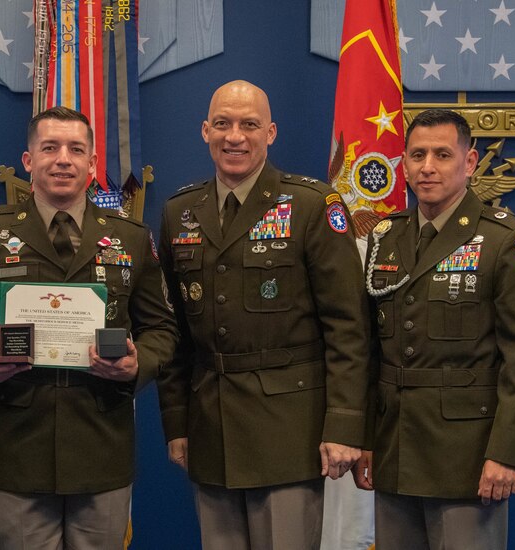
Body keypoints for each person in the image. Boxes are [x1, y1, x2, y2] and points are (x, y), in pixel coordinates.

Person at [0, 106, 177, 549]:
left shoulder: (131, 238)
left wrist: (138, 363)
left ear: (91, 163)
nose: (62, 159)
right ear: (28, 161)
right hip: (16, 445)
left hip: (101, 442)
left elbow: (162, 330)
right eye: (50, 148)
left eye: (75, 149)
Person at [157, 79, 370, 549]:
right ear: (204, 131)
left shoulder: (313, 205)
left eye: (249, 124)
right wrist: (177, 423)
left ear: (270, 132)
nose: (235, 136)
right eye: (223, 124)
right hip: (210, 430)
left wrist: (344, 425)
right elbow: (173, 333)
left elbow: (348, 328)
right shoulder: (179, 211)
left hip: (289, 430)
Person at [353, 109, 515, 549]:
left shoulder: (505, 240)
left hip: (469, 461)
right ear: (405, 163)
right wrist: (365, 441)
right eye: (417, 155)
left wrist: (506, 453)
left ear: (470, 162)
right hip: (395, 451)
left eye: (442, 154)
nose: (428, 167)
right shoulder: (385, 237)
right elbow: (369, 353)